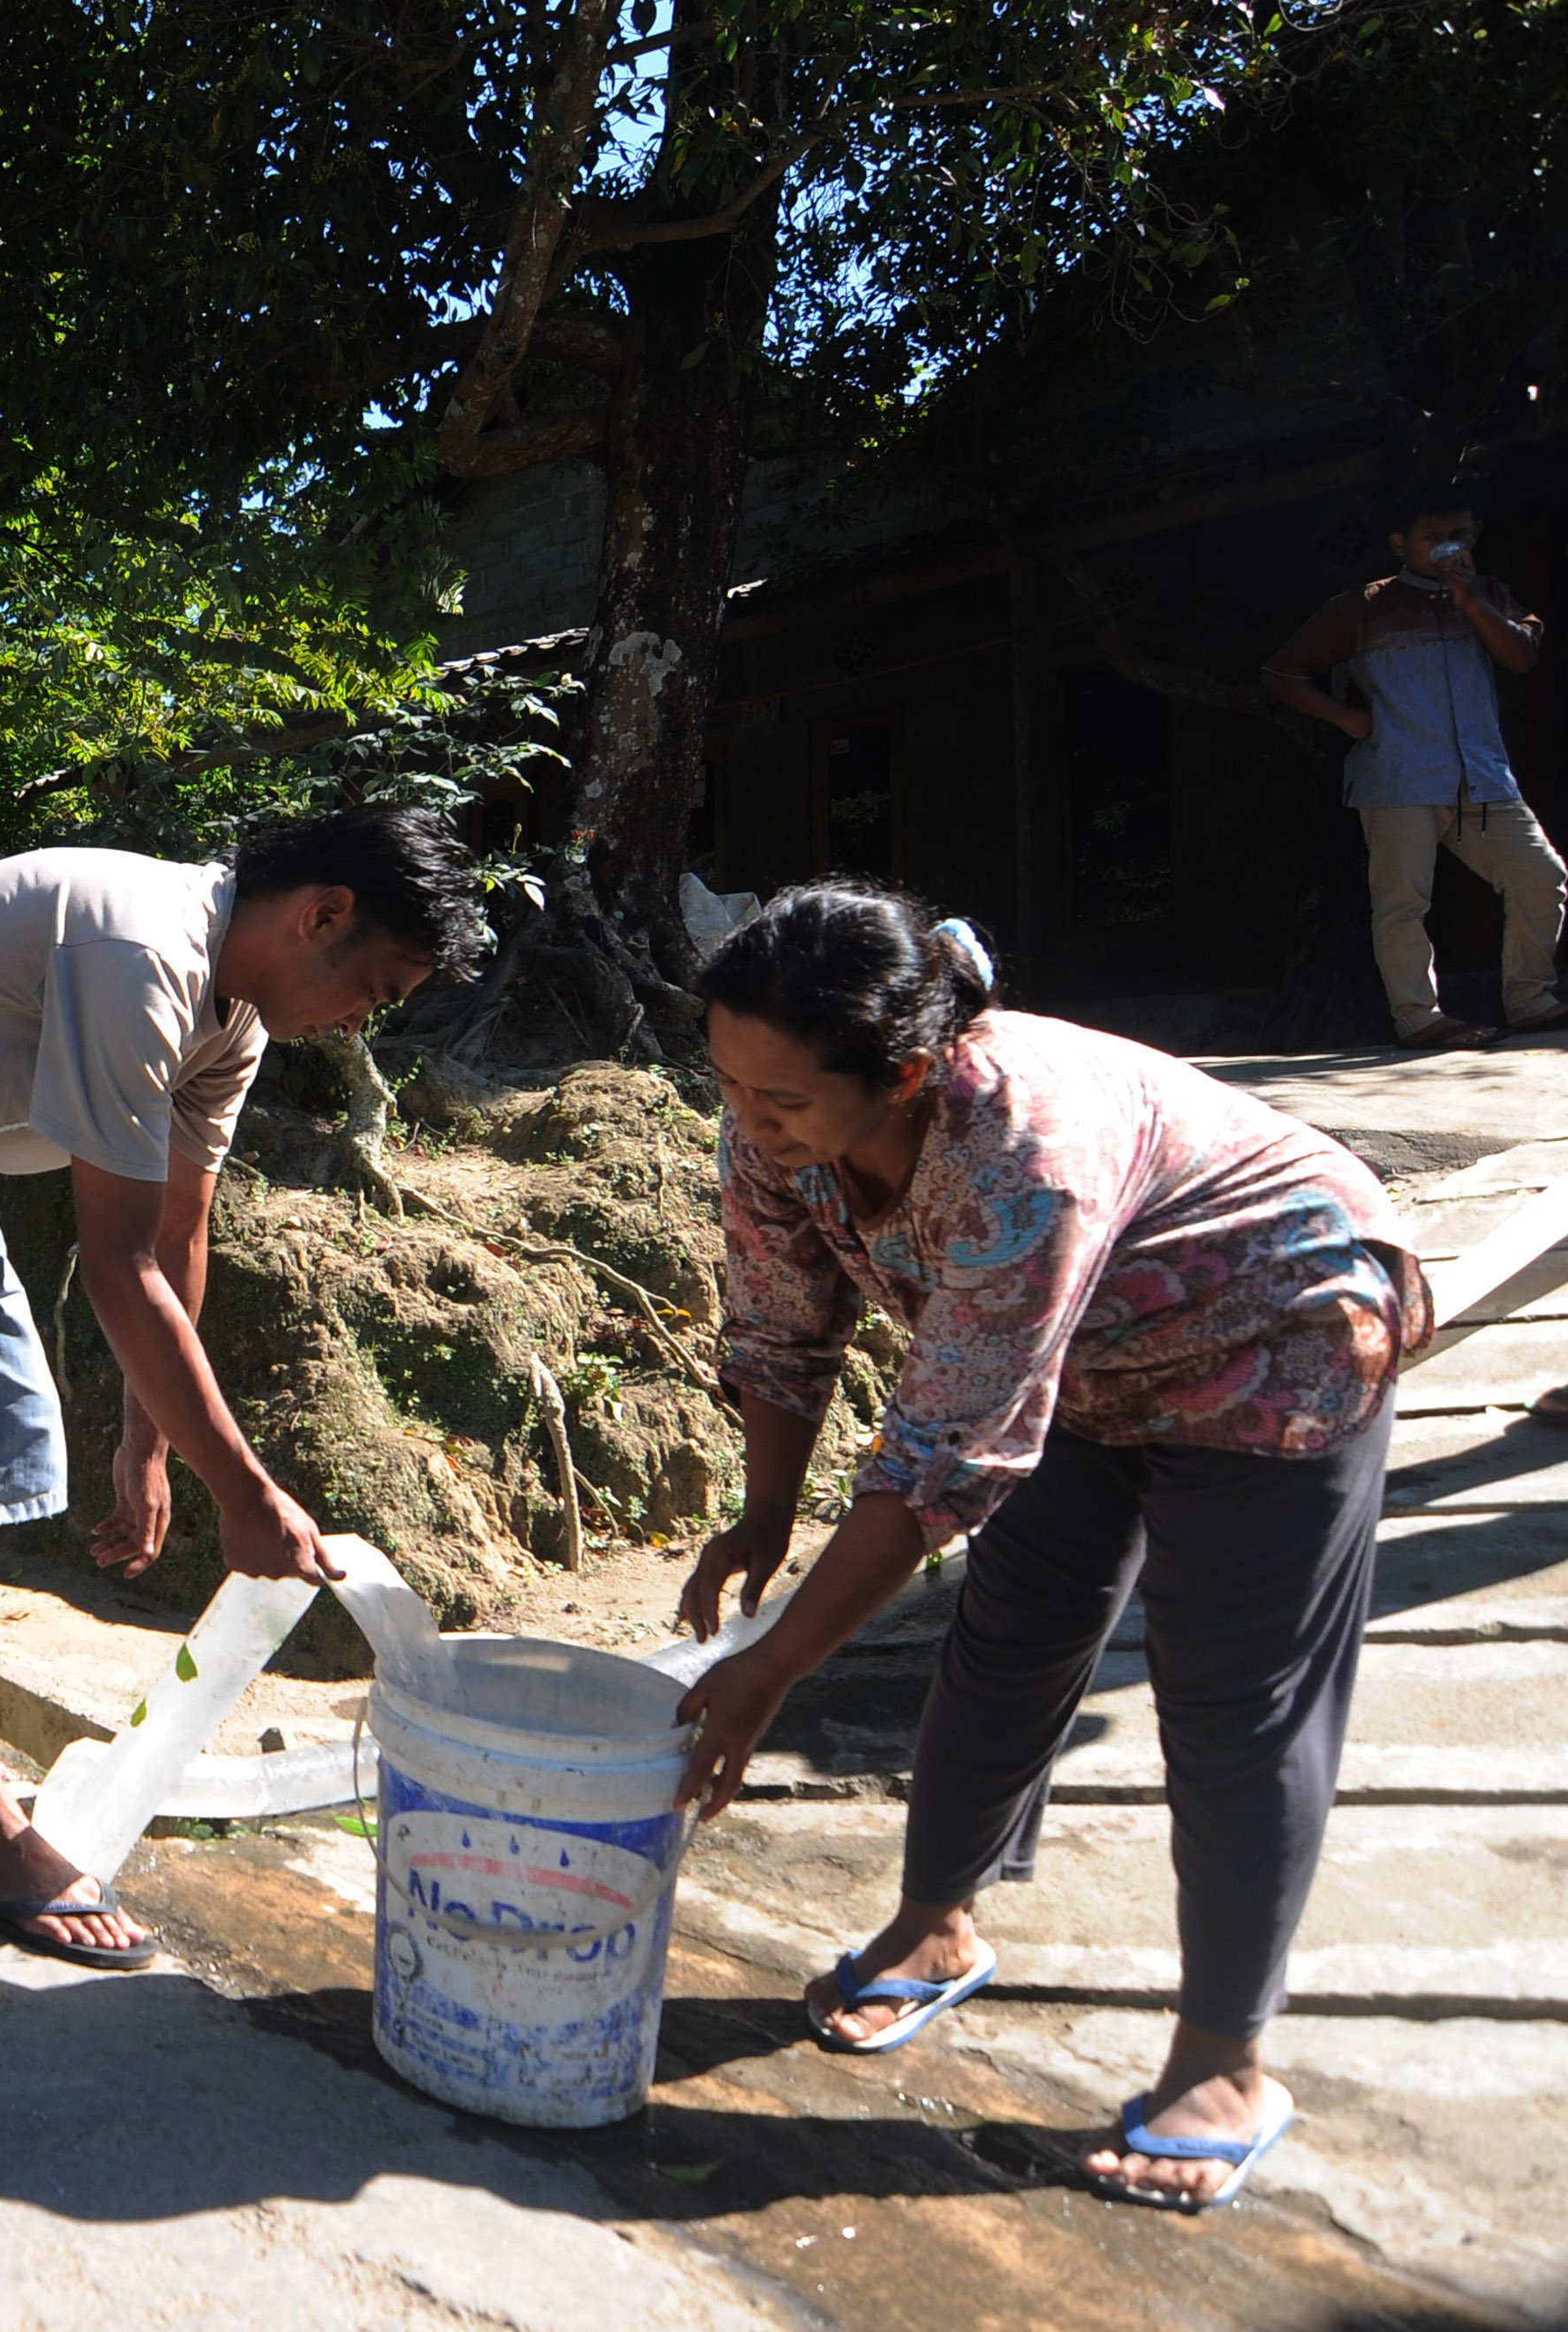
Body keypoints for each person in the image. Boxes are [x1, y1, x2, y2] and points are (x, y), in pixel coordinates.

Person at [669, 885, 1429, 2210]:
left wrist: (774, 1664)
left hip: (1277, 1327)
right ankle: (934, 1922)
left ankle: (1225, 2062)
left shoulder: (1020, 1150)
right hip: (1077, 1356)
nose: (749, 1119)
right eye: (729, 1083)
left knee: (1235, 1704)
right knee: (1011, 1632)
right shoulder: (778, 1129)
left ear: (906, 1073)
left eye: (779, 1096)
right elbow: (784, 1324)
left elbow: (937, 1463)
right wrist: (765, 1516)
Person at [0, 805, 485, 1968]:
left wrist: (152, 1439)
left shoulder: (233, 1021)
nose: (360, 1020)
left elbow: (177, 1237)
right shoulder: (143, 952)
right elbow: (117, 1263)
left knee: (4, 1451)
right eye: (373, 988)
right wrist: (248, 1491)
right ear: (320, 914)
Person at [1261, 485, 1557, 1050]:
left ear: (1475, 536)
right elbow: (1281, 672)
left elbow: (1521, 657)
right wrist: (1344, 717)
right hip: (1398, 775)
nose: (1449, 547)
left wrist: (1473, 602)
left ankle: (1531, 999)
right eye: (1434, 538)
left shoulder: (1491, 594)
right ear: (1401, 544)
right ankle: (1418, 1016)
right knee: (1402, 901)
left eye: (1460, 535)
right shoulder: (1363, 605)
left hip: (1484, 776)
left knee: (1541, 876)